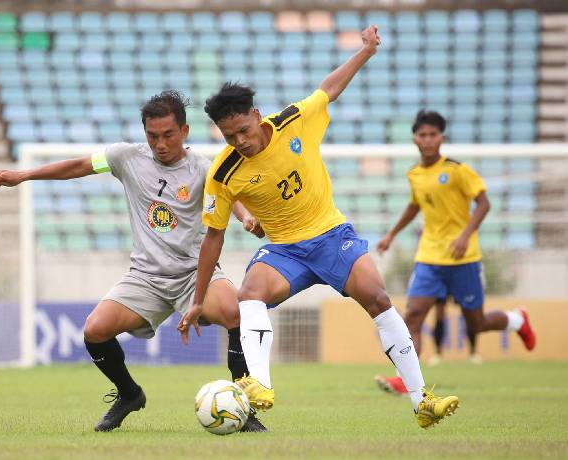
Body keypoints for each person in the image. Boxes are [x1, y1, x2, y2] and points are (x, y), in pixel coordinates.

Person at [178, 26, 458, 429]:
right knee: (249, 293)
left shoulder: (295, 121)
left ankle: (422, 402)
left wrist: (366, 51)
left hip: (331, 236)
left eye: (244, 130)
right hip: (286, 250)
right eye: (229, 135)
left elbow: (329, 88)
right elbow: (214, 237)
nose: (240, 140)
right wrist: (197, 297)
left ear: (257, 117)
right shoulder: (223, 173)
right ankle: (258, 385)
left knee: (378, 299)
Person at [0, 91, 268, 432]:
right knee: (95, 330)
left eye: (168, 135)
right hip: (146, 278)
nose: (160, 144)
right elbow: (79, 165)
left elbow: (230, 198)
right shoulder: (126, 158)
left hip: (194, 274)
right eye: (152, 136)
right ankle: (129, 394)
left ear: (184, 131)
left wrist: (246, 218)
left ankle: (245, 407)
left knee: (234, 312)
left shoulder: (203, 169)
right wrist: (25, 175)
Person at [374, 110, 536, 395]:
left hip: (463, 258)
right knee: (413, 316)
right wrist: (391, 234)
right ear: (415, 139)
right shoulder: (415, 174)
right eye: (422, 135)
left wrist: (465, 235)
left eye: (432, 135)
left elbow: (484, 204)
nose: (427, 140)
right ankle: (405, 379)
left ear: (442, 138)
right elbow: (415, 206)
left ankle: (518, 320)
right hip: (429, 257)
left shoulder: (459, 170)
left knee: (477, 322)